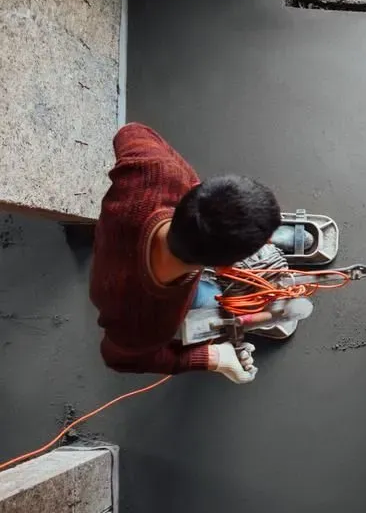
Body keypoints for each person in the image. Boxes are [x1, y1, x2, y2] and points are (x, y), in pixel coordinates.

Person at [90, 123, 282, 383]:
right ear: (226, 268)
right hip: (136, 294)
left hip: (125, 246)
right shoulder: (144, 322)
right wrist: (212, 358)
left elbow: (130, 132)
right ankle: (217, 304)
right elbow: (119, 358)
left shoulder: (153, 169)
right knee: (210, 302)